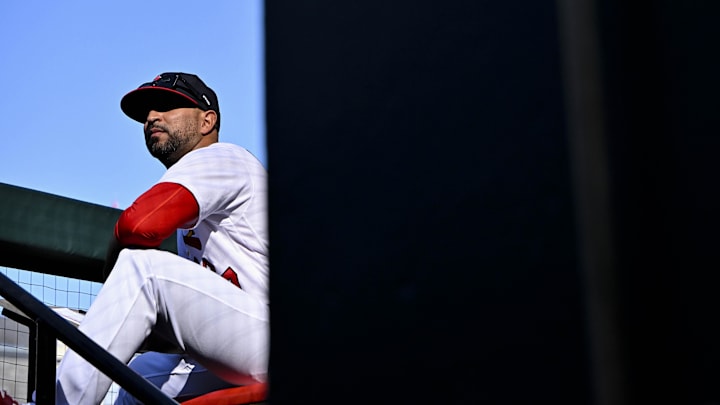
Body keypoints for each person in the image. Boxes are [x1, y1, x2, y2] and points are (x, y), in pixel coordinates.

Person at [54, 72, 269, 404]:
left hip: (274, 337)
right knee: (139, 379)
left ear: (207, 120)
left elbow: (138, 225)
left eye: (168, 106)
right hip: (245, 344)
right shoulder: (202, 194)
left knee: (144, 269)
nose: (152, 117)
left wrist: (114, 286)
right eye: (147, 113)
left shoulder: (222, 157)